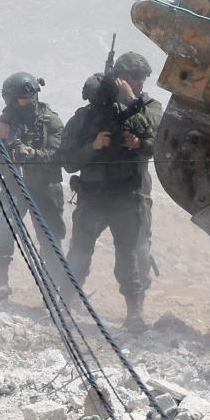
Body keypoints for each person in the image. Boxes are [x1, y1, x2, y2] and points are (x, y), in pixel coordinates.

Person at [60, 73, 154, 330]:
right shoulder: (81, 121)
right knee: (79, 251)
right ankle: (68, 301)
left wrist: (137, 144)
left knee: (128, 255)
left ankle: (134, 312)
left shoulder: (131, 114)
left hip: (124, 198)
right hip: (92, 198)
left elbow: (154, 145)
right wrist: (94, 146)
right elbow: (68, 162)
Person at [0, 72, 66, 300]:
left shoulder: (50, 120)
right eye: (21, 98)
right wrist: (0, 138)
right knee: (5, 228)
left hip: (45, 186)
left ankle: (51, 288)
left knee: (50, 237)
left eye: (29, 97)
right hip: (15, 186)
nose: (26, 101)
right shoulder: (5, 120)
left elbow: (59, 154)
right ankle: (0, 282)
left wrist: (32, 154)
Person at [112, 52, 162, 297]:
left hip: (135, 186)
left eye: (142, 77)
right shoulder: (104, 103)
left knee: (139, 244)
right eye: (133, 77)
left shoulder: (150, 106)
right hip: (103, 186)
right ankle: (68, 298)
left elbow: (153, 138)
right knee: (82, 246)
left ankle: (138, 297)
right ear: (119, 76)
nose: (139, 81)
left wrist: (133, 101)